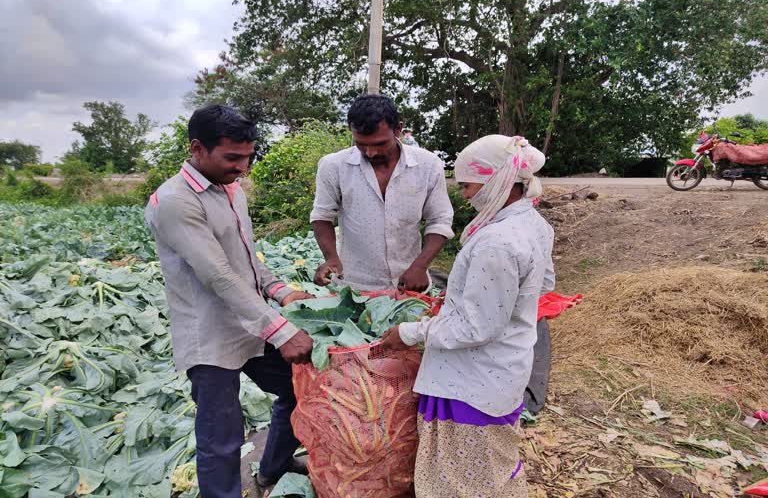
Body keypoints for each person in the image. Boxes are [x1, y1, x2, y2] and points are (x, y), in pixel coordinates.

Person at [144, 105, 314, 498]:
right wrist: (282, 330)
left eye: (248, 157)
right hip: (210, 336)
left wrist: (279, 290)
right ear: (197, 148)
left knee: (299, 389)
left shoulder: (230, 191)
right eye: (232, 157)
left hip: (250, 323)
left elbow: (243, 257)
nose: (243, 167)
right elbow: (217, 273)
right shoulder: (174, 201)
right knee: (220, 437)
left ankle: (274, 466)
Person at [381, 135, 555, 498]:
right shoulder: (534, 224)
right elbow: (542, 285)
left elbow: (478, 326)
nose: (463, 195)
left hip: (472, 380)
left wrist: (411, 332)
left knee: (465, 477)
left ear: (497, 180)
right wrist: (466, 296)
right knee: (493, 465)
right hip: (504, 367)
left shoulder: (497, 241)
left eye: (467, 185)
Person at [311, 95, 454, 292]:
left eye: (379, 144)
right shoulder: (333, 166)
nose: (370, 153)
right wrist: (331, 258)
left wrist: (420, 266)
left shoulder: (428, 165)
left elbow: (440, 220)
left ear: (398, 129)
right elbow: (321, 216)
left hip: (411, 286)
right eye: (361, 144)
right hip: (354, 288)